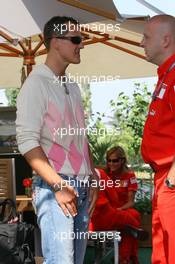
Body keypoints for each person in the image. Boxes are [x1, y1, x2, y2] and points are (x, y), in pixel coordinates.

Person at [16, 16, 98, 264]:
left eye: (81, 39)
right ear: (54, 42)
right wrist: (58, 185)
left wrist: (92, 175)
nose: (81, 44)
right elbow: (26, 141)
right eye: (75, 39)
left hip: (81, 187)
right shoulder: (35, 84)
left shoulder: (72, 86)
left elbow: (81, 138)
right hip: (56, 186)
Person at [141, 15, 175, 264]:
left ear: (166, 40)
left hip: (171, 178)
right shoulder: (165, 75)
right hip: (162, 178)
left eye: (146, 37)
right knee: (162, 253)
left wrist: (173, 176)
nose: (141, 42)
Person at [90, 146, 142, 264]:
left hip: (123, 208)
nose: (111, 163)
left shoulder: (130, 176)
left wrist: (119, 209)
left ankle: (125, 257)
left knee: (133, 215)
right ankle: (129, 257)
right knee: (132, 222)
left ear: (122, 160)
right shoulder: (103, 173)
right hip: (107, 210)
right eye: (109, 160)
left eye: (115, 161)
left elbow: (131, 201)